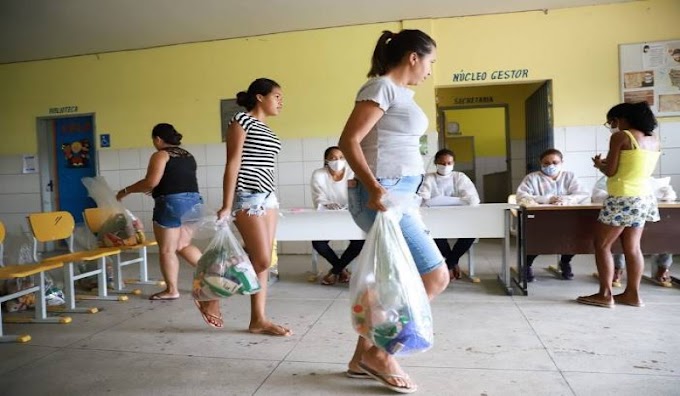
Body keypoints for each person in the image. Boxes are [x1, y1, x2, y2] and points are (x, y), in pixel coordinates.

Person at [338, 29, 449, 394]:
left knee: (403, 281)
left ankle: (361, 358)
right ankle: (380, 352)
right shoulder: (381, 87)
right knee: (435, 277)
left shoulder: (398, 93)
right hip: (383, 195)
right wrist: (374, 189)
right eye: (430, 61)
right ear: (413, 57)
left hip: (400, 195)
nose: (431, 70)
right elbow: (348, 141)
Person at [196, 78, 291, 335]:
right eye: (277, 96)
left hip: (269, 197)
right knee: (260, 258)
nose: (281, 102)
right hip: (247, 196)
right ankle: (210, 295)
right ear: (260, 97)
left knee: (264, 261)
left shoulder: (268, 128)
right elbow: (232, 164)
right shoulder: (241, 121)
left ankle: (258, 319)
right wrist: (227, 205)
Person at [577, 102, 660, 308]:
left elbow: (611, 171)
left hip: (623, 197)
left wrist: (599, 165)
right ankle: (633, 294)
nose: (613, 126)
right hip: (643, 197)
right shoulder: (653, 139)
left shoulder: (621, 136)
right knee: (633, 248)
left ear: (623, 118)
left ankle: (605, 294)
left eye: (613, 121)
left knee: (603, 244)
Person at [116, 123, 203, 301]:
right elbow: (178, 180)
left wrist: (126, 190)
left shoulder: (161, 154)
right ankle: (213, 277)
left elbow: (150, 182)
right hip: (195, 203)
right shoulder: (188, 155)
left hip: (172, 204)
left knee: (167, 250)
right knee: (183, 245)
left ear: (157, 139)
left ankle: (172, 290)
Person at [516, 148, 590, 282]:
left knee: (573, 239)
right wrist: (547, 199)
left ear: (562, 162)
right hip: (541, 219)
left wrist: (568, 200)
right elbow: (522, 197)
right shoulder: (532, 178)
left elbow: (582, 194)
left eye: (555, 162)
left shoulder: (570, 176)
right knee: (537, 240)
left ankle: (565, 261)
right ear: (540, 163)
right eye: (546, 163)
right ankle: (526, 265)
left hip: (567, 218)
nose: (551, 166)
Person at [591, 175, 676, 285]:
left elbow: (669, 193)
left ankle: (606, 292)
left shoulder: (638, 176)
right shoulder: (636, 172)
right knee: (631, 247)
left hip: (624, 205)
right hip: (637, 206)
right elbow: (598, 194)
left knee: (606, 245)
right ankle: (623, 279)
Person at [418, 148, 480, 280]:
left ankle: (449, 265)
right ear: (435, 163)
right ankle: (452, 263)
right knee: (434, 235)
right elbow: (422, 199)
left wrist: (447, 200)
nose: (445, 166)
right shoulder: (429, 178)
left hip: (459, 218)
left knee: (471, 234)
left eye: (449, 163)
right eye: (442, 163)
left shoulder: (459, 177)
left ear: (453, 163)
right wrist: (460, 200)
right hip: (435, 219)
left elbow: (473, 199)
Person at [310, 146, 365, 285]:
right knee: (318, 243)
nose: (337, 161)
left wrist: (350, 205)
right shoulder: (318, 174)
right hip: (328, 218)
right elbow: (318, 196)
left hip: (351, 217)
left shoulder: (352, 173)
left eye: (341, 157)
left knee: (359, 242)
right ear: (326, 160)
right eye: (333, 158)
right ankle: (341, 271)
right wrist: (327, 204)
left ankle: (335, 271)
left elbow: (359, 194)